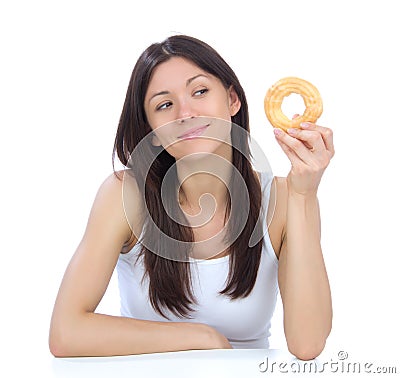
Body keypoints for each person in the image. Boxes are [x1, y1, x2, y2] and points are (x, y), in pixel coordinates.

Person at [49, 35, 333, 360]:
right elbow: (66, 333)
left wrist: (304, 194)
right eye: (164, 105)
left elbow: (308, 344)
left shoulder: (284, 198)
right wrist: (202, 338)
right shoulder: (123, 196)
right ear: (151, 132)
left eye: (200, 91)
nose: (186, 113)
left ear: (232, 100)